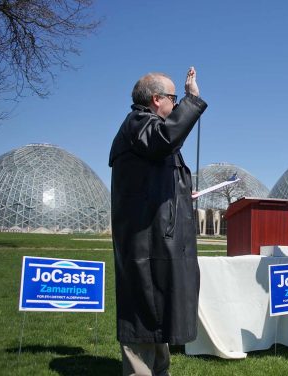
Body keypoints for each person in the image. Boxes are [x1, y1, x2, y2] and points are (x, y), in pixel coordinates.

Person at [109, 67, 207, 376]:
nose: (177, 104)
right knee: (142, 312)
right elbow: (164, 139)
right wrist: (192, 100)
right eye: (174, 98)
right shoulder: (139, 124)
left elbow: (153, 177)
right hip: (145, 241)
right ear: (156, 99)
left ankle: (160, 370)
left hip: (159, 239)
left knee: (161, 308)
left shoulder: (146, 129)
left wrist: (179, 195)